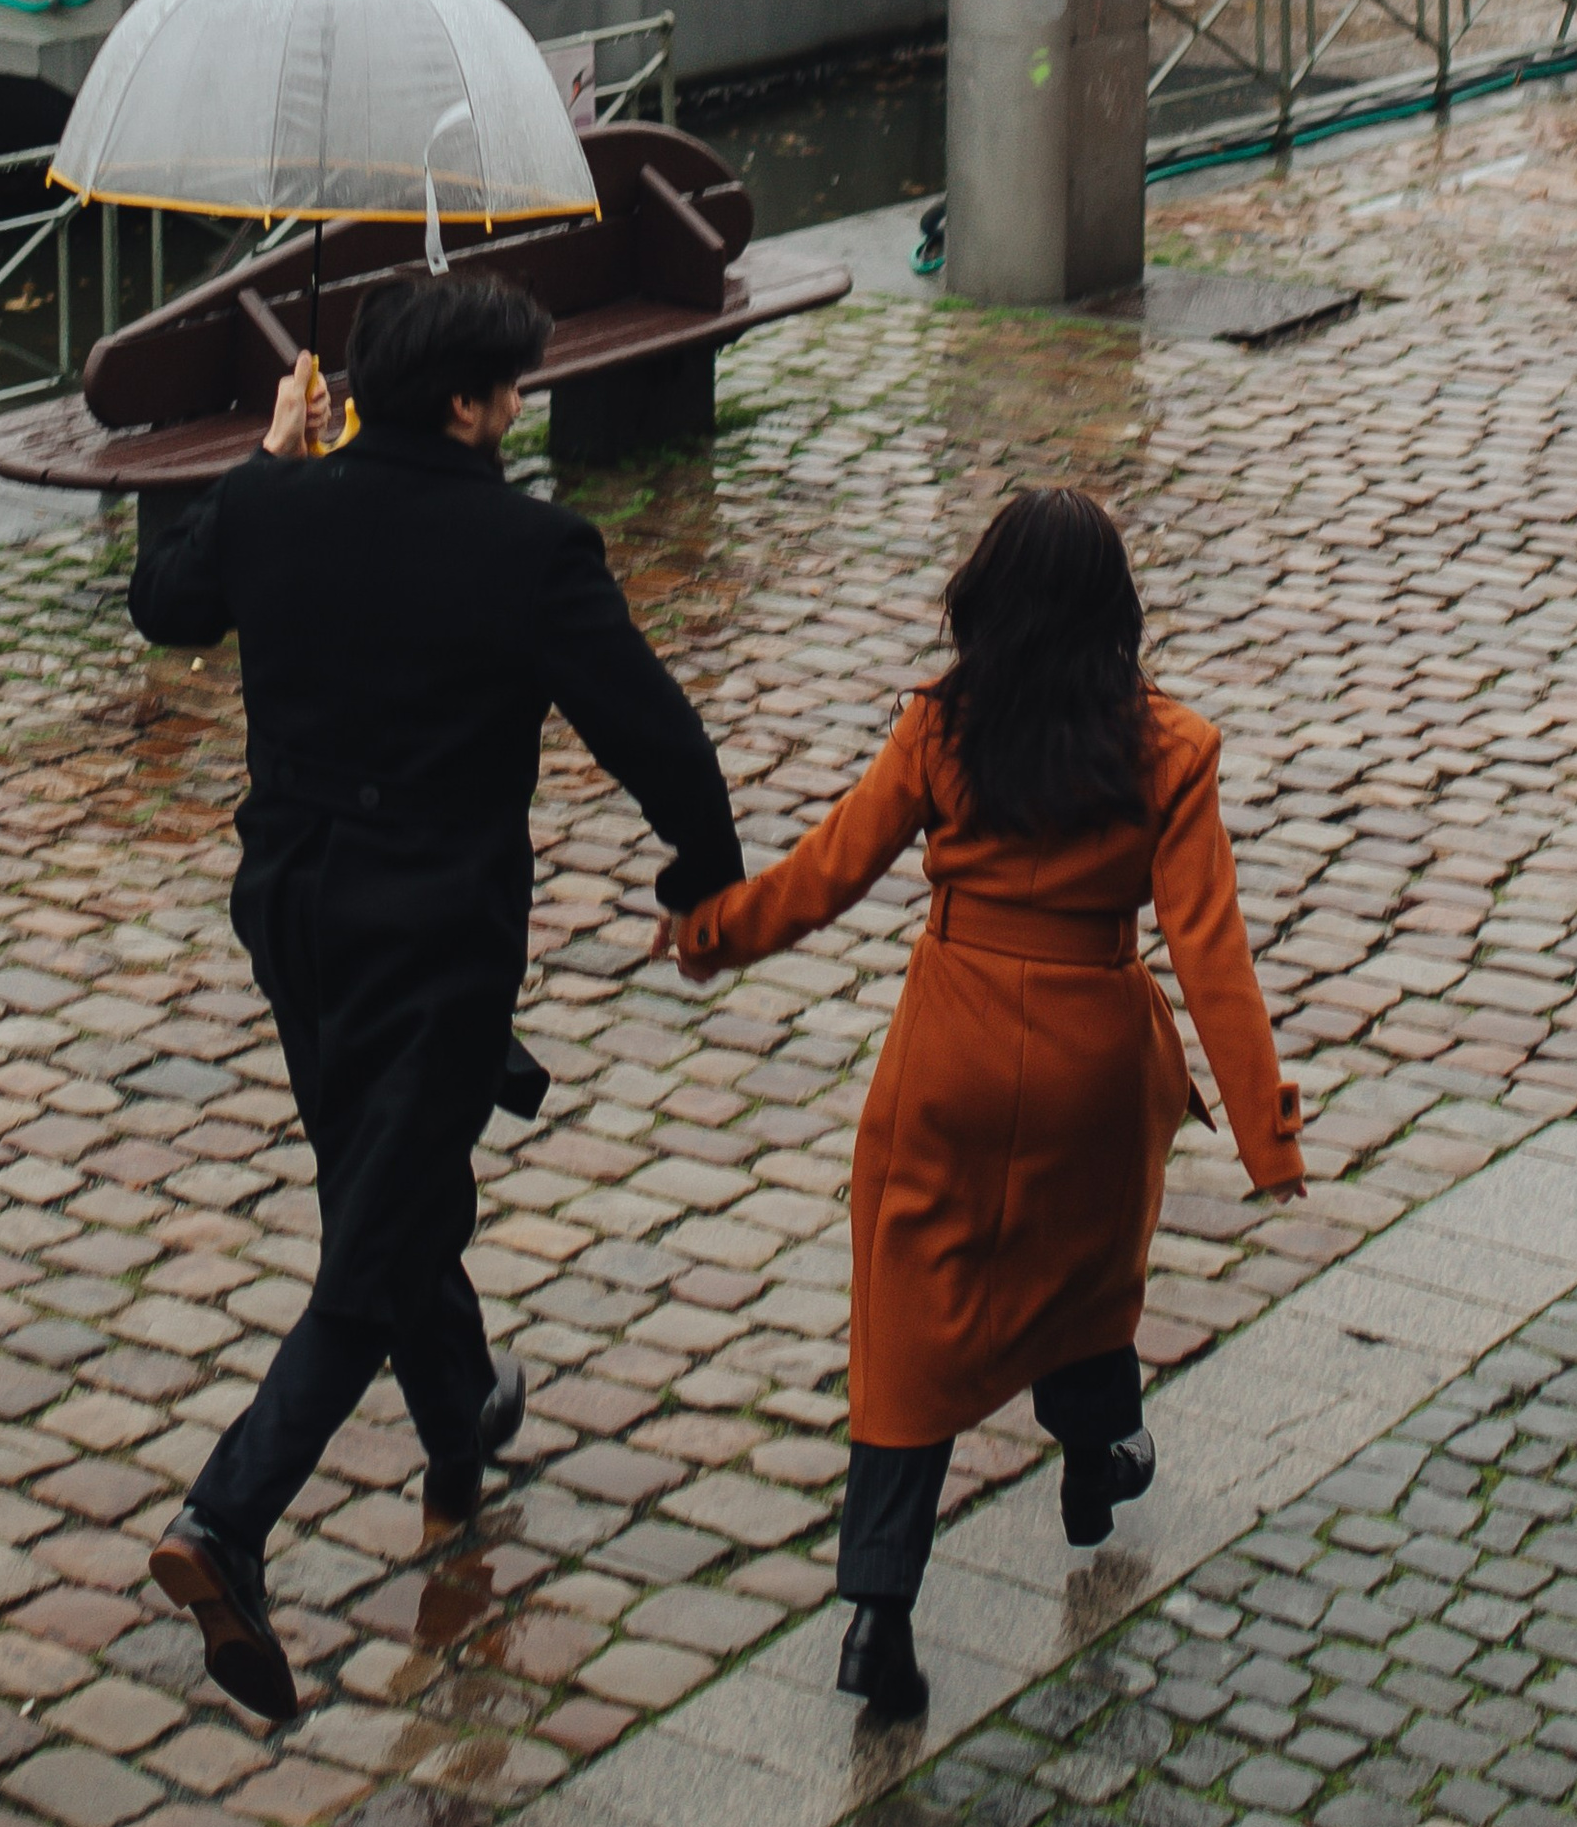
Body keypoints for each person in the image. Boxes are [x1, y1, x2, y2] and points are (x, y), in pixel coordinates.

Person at [132, 271, 744, 1724]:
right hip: (435, 932)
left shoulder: (281, 505)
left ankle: (460, 1420)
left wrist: (268, 460)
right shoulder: (527, 548)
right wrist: (700, 869)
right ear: (468, 404)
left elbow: (163, 605)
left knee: (384, 1176)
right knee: (387, 1218)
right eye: (513, 390)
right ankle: (227, 1520)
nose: (522, 409)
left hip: (293, 911)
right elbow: (651, 728)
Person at [659, 485, 1304, 1727]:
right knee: (1084, 1262)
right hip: (1090, 1051)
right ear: (1116, 611)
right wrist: (1267, 1135)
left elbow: (829, 871)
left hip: (949, 1039)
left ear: (983, 602)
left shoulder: (938, 730)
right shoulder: (1168, 746)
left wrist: (710, 931)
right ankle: (1096, 1452)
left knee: (908, 1316)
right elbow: (1207, 945)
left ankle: (878, 1606)